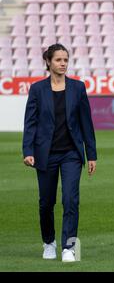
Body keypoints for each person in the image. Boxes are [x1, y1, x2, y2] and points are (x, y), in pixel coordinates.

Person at [22, 44, 97, 262]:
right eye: (58, 60)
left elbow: (86, 123)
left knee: (71, 199)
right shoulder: (37, 89)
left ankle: (68, 247)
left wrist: (91, 154)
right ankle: (49, 242)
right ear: (48, 62)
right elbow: (31, 123)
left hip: (71, 153)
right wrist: (28, 150)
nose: (63, 63)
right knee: (46, 202)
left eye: (66, 59)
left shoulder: (78, 88)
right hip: (45, 154)